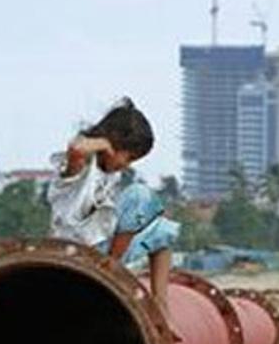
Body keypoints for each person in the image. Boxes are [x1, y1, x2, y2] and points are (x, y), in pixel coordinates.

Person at [47, 97, 180, 328]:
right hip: (73, 254)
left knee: (163, 229)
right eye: (129, 157)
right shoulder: (77, 172)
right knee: (139, 195)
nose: (127, 165)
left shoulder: (110, 175)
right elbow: (77, 148)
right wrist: (105, 144)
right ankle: (112, 271)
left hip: (102, 253)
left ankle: (160, 302)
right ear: (114, 144)